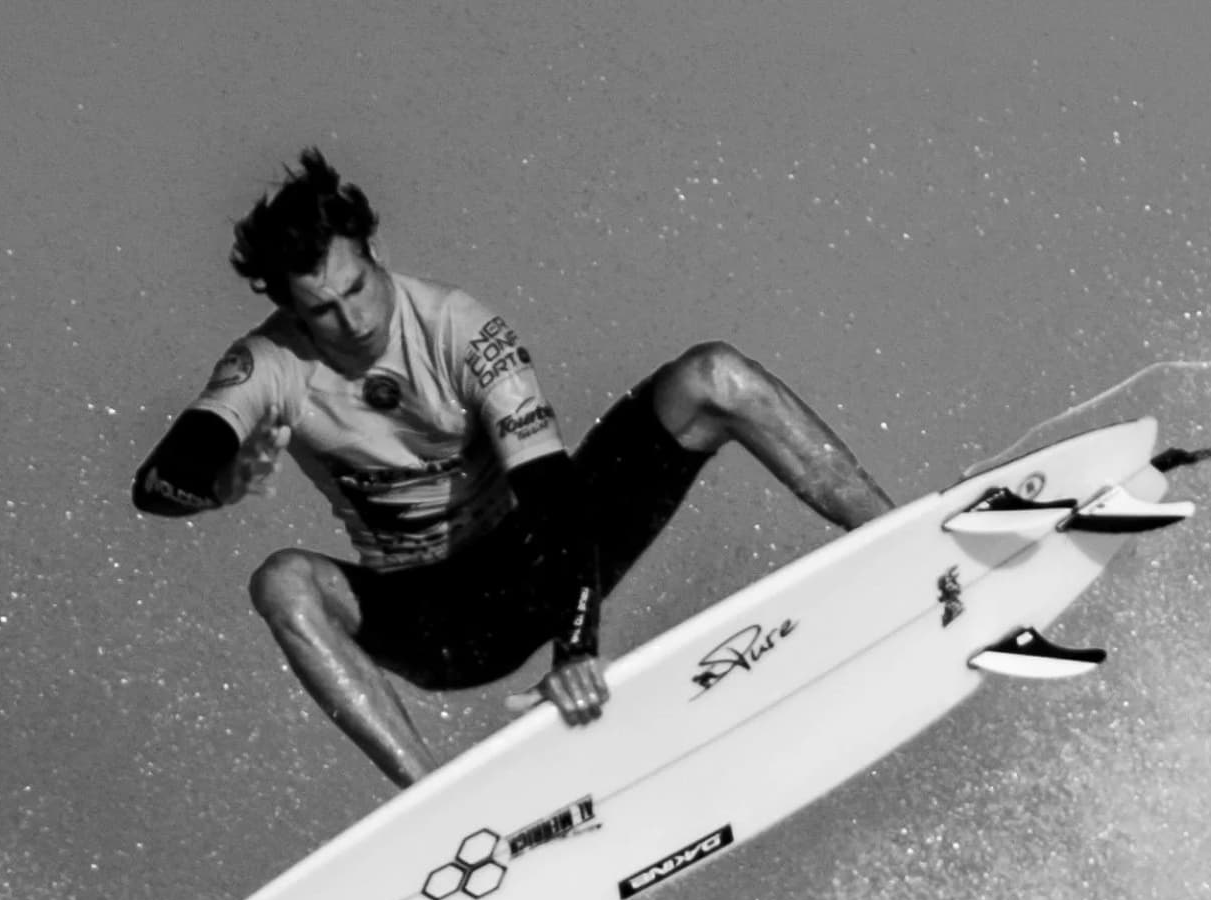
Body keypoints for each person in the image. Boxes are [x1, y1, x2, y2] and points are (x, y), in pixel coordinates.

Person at [132, 150, 898, 786]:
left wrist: (575, 647)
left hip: (542, 562)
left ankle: (901, 540)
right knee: (280, 580)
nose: (354, 320)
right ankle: (432, 806)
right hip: (433, 620)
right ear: (291, 310)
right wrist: (215, 487)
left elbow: (554, 496)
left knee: (713, 376)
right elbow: (159, 483)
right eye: (323, 310)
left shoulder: (462, 330)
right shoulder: (267, 362)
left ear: (376, 255)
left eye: (358, 288)